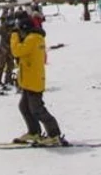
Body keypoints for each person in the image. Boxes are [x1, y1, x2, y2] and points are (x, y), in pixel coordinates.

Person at [9, 12, 65, 146]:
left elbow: (17, 51)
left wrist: (14, 35)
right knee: (24, 107)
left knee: (37, 109)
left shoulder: (32, 39)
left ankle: (54, 134)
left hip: (33, 80)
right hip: (30, 80)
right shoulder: (35, 38)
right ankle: (34, 132)